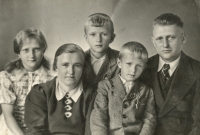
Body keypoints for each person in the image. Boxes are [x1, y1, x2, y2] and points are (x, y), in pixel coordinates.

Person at [140, 13, 200, 135]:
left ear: (183, 38)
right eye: (159, 39)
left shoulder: (197, 70)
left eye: (171, 37)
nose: (165, 45)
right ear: (153, 41)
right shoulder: (142, 68)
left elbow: (198, 125)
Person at [25, 44, 93, 135]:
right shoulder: (40, 93)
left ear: (83, 68)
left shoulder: (92, 94)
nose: (71, 71)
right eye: (65, 65)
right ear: (55, 67)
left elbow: (92, 131)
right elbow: (35, 131)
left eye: (77, 65)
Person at [90, 41, 156, 135]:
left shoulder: (147, 91)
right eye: (129, 64)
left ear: (145, 67)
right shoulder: (105, 86)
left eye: (139, 66)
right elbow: (99, 116)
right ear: (119, 63)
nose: (133, 70)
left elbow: (149, 119)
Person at [0, 28, 53, 135]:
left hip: (41, 129)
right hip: (12, 129)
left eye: (36, 49)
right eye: (26, 50)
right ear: (18, 53)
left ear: (43, 50)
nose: (31, 55)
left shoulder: (51, 77)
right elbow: (8, 115)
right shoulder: (7, 77)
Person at [84, 13, 120, 90]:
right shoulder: (80, 59)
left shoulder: (120, 59)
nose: (98, 40)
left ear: (112, 38)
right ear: (86, 38)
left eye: (104, 34)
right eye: (93, 34)